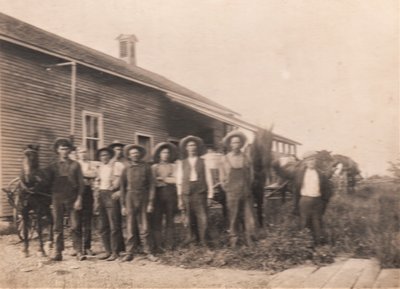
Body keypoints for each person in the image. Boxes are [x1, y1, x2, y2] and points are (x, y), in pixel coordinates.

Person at [274, 151, 333, 246]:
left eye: (313, 159)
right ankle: (304, 248)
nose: (312, 162)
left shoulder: (321, 174)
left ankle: (318, 248)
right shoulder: (298, 173)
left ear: (316, 161)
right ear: (305, 162)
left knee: (317, 225)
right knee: (304, 223)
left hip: (317, 202)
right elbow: (284, 174)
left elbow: (328, 190)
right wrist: (276, 165)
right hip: (304, 202)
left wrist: (323, 203)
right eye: (309, 160)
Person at [46, 138, 85, 261]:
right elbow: (48, 184)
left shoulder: (75, 165)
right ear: (57, 150)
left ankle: (79, 251)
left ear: (69, 150)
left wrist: (79, 199)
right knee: (57, 226)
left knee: (75, 225)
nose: (64, 151)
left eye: (66, 148)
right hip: (57, 197)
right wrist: (50, 201)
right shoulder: (52, 166)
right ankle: (58, 252)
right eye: (62, 148)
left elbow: (81, 183)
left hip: (72, 197)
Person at [120, 144, 157, 262]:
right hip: (130, 197)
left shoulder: (146, 167)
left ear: (140, 154)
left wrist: (150, 202)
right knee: (130, 226)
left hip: (143, 197)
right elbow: (122, 187)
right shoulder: (126, 169)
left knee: (145, 226)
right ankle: (129, 253)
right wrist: (123, 205)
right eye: (132, 153)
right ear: (129, 156)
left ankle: (148, 252)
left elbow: (152, 185)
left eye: (136, 153)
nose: (135, 155)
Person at [220, 131, 256, 247]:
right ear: (230, 144)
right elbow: (222, 177)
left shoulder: (246, 158)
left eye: (238, 142)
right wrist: (229, 190)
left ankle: (249, 241)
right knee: (233, 217)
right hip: (232, 193)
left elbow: (251, 176)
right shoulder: (225, 159)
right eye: (233, 142)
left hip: (245, 192)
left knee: (248, 216)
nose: (236, 144)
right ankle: (233, 242)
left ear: (241, 144)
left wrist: (247, 188)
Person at [176, 136, 213, 247]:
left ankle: (204, 241)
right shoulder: (182, 163)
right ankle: (192, 240)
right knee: (189, 217)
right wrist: (180, 198)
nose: (192, 148)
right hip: (187, 192)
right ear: (186, 148)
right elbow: (179, 181)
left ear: (197, 147)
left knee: (203, 217)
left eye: (194, 145)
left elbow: (209, 178)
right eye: (189, 145)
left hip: (200, 192)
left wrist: (210, 195)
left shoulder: (203, 162)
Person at [94, 147, 125, 261]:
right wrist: (97, 194)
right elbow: (97, 182)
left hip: (111, 195)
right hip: (101, 195)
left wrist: (119, 191)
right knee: (103, 225)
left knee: (114, 225)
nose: (104, 157)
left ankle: (115, 251)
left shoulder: (117, 166)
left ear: (110, 156)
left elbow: (124, 181)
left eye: (106, 155)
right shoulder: (100, 168)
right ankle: (107, 250)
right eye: (102, 155)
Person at [149, 142, 178, 252]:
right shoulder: (154, 167)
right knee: (157, 220)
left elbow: (176, 180)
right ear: (159, 155)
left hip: (170, 195)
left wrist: (163, 179)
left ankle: (169, 245)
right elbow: (153, 182)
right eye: (163, 153)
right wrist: (167, 179)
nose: (165, 155)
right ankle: (158, 245)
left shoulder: (174, 166)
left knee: (170, 220)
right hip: (157, 195)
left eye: (167, 153)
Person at [75, 146, 98, 256]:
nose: (83, 154)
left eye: (85, 152)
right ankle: (77, 248)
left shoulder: (90, 164)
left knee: (87, 221)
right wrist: (85, 175)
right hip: (76, 193)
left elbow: (94, 174)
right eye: (81, 152)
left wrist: (81, 175)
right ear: (77, 154)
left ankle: (87, 247)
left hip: (87, 192)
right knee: (76, 221)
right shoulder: (75, 164)